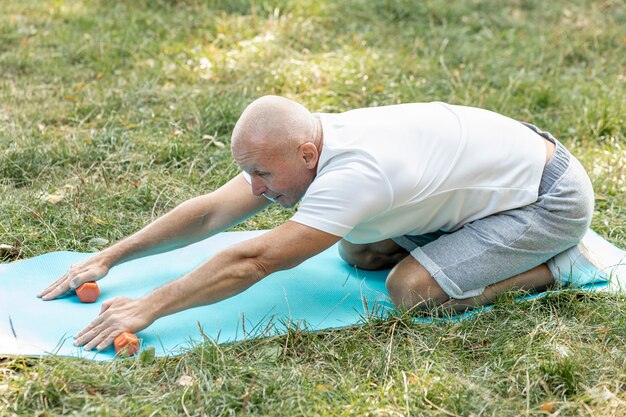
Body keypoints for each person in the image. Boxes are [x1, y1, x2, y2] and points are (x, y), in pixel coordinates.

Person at [37, 95, 607, 352]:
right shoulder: (302, 146)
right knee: (357, 250)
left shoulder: (355, 173)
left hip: (549, 198)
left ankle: (560, 264)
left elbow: (257, 259)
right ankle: (480, 246)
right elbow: (215, 208)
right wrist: (111, 255)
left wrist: (149, 306)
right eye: (248, 173)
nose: (256, 188)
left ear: (308, 154)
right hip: (498, 180)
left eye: (262, 174)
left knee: (410, 291)